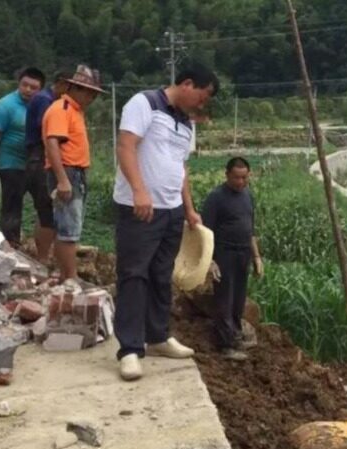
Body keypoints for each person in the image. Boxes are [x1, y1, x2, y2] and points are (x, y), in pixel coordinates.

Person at [113, 61, 219, 381]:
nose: (203, 103)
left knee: (161, 274)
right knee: (134, 275)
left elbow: (181, 168)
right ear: (187, 84)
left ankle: (157, 336)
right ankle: (130, 349)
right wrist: (139, 190)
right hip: (141, 208)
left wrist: (188, 209)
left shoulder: (187, 123)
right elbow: (126, 146)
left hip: (172, 211)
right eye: (203, 95)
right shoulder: (144, 104)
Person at [42, 64, 105, 281]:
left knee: (69, 226)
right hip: (67, 172)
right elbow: (52, 144)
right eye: (89, 93)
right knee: (68, 228)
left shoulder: (75, 111)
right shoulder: (62, 109)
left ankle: (66, 275)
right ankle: (70, 277)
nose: (92, 98)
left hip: (74, 173)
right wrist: (62, 180)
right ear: (75, 89)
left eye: (94, 94)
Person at [201, 156, 264, 362]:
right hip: (224, 254)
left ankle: (235, 335)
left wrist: (256, 256)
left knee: (238, 298)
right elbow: (204, 232)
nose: (240, 182)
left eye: (244, 177)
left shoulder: (247, 196)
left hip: (243, 253)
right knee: (224, 299)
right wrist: (210, 261)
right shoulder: (216, 198)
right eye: (236, 178)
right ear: (227, 175)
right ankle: (225, 344)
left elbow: (250, 230)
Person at [0, 67, 45, 248]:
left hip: (36, 164)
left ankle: (42, 247)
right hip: (11, 163)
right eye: (25, 85)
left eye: (33, 87)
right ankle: (10, 245)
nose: (28, 90)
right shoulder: (5, 105)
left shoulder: (43, 106)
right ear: (19, 84)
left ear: (41, 89)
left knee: (45, 205)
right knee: (12, 206)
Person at [25, 69, 71, 263]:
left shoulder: (47, 99)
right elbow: (48, 130)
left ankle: (43, 256)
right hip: (39, 155)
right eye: (69, 88)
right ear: (60, 84)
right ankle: (43, 259)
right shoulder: (45, 101)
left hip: (37, 156)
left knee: (44, 209)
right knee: (47, 210)